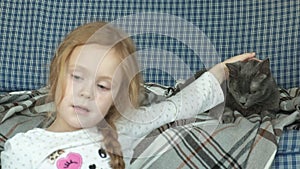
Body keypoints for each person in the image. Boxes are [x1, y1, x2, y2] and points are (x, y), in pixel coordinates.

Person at [0, 21, 256, 169]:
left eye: (103, 86)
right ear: (56, 77)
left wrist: (221, 71)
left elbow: (179, 105)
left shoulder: (124, 126)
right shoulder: (22, 148)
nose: (86, 92)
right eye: (77, 77)